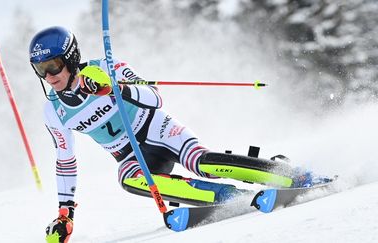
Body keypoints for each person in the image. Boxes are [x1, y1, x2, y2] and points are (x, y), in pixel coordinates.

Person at [29, 26, 330, 243]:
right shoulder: (54, 111)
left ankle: (291, 174)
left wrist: (116, 89)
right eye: (41, 70)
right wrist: (65, 213)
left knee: (205, 164)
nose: (49, 76)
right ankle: (230, 199)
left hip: (158, 129)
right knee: (129, 179)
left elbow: (154, 96)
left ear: (69, 58)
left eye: (53, 66)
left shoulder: (106, 67)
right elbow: (65, 161)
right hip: (130, 154)